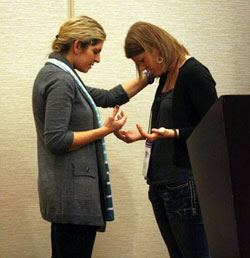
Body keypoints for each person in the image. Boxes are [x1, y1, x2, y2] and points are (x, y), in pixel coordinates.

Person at [32, 16, 152, 258]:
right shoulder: (60, 80)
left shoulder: (63, 75)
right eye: (95, 51)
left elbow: (108, 97)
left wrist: (147, 78)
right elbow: (56, 140)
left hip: (68, 194)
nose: (97, 59)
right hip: (72, 195)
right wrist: (105, 130)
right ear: (77, 46)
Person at [115, 21, 218, 258]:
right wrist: (143, 136)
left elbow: (213, 130)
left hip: (183, 183)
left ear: (156, 48)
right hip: (160, 185)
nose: (142, 68)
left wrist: (175, 134)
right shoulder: (165, 76)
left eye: (142, 60)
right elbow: (169, 126)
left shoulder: (194, 73)